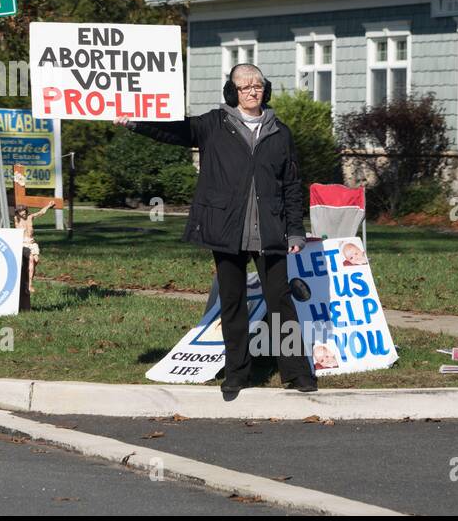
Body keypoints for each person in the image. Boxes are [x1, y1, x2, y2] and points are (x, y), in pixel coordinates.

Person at [120, 63, 317, 400]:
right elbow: (176, 131)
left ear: (265, 90)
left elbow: (292, 185)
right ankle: (238, 373)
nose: (252, 91)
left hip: (270, 230)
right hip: (226, 228)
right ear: (232, 92)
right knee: (233, 301)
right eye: (245, 86)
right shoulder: (214, 124)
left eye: (258, 85)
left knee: (280, 300)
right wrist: (136, 123)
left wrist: (296, 232)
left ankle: (297, 372)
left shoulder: (280, 132)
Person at [14, 201, 54, 295]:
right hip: (23, 243)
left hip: (32, 243)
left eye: (24, 211)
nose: (23, 213)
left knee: (35, 261)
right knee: (31, 259)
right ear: (18, 213)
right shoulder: (17, 219)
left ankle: (28, 279)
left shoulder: (30, 217)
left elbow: (41, 212)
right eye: (21, 211)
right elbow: (4, 212)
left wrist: (48, 205)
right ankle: (29, 285)